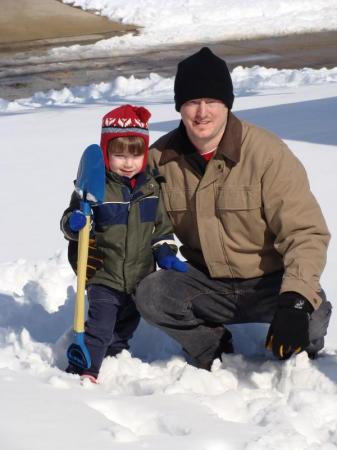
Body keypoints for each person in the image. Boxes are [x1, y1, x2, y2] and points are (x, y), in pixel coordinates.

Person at [135, 47, 332, 370]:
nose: (202, 112)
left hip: (268, 281)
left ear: (226, 104)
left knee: (309, 319)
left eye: (211, 101)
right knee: (152, 294)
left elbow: (305, 233)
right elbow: (130, 220)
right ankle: (211, 345)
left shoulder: (267, 154)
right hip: (205, 283)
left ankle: (297, 341)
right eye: (191, 102)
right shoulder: (160, 159)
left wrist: (295, 300)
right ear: (179, 107)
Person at [60, 104, 187, 382]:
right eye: (119, 155)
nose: (128, 163)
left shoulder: (152, 188)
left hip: (139, 276)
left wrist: (165, 252)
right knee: (100, 327)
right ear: (106, 152)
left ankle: (116, 357)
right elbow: (69, 223)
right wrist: (75, 223)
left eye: (136, 154)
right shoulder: (94, 189)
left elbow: (161, 228)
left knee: (126, 324)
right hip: (104, 273)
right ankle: (86, 370)